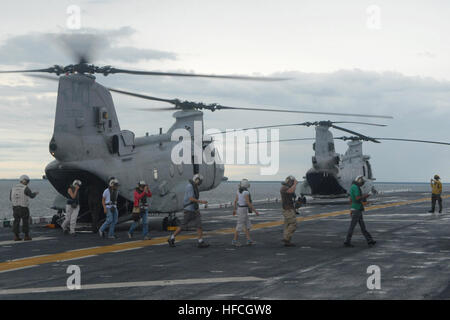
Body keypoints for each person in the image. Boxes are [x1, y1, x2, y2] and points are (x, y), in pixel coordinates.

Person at [168, 174, 209, 248]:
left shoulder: (194, 186)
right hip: (189, 209)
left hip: (194, 209)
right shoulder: (190, 186)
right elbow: (191, 199)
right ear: (197, 179)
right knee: (183, 226)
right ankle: (171, 238)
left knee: (199, 225)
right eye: (200, 180)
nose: (200, 182)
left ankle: (200, 242)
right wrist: (201, 201)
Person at [344, 175, 376, 247]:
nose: (362, 184)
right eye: (362, 182)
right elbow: (358, 198)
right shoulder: (356, 187)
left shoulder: (352, 187)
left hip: (355, 209)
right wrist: (368, 195)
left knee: (362, 227)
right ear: (359, 181)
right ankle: (347, 241)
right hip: (357, 210)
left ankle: (370, 240)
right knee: (353, 227)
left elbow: (351, 199)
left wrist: (351, 208)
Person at [9, 175, 38, 241]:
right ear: (24, 180)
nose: (28, 183)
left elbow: (10, 198)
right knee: (25, 221)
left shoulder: (13, 188)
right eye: (27, 181)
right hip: (24, 207)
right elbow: (31, 196)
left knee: (16, 221)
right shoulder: (26, 188)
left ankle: (16, 236)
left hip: (15, 207)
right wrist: (35, 193)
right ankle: (26, 236)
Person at [232, 179, 259, 247]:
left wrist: (234, 209)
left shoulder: (238, 191)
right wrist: (255, 211)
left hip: (240, 209)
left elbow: (235, 201)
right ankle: (234, 241)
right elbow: (248, 203)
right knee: (239, 226)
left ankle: (249, 240)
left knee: (247, 225)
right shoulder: (246, 192)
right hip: (243, 210)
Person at [280, 175, 298, 247]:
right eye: (292, 182)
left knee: (287, 225)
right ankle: (286, 238)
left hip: (289, 208)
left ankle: (287, 241)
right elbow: (291, 191)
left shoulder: (287, 187)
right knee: (293, 224)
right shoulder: (284, 188)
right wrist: (295, 184)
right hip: (288, 210)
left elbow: (292, 194)